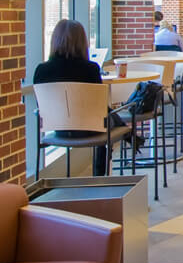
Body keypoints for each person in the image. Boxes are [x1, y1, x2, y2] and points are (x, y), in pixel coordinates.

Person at [33, 19, 121, 173]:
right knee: (109, 117)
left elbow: (41, 105)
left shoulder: (41, 70)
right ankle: (99, 174)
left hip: (59, 129)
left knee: (105, 117)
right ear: (82, 42)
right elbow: (98, 106)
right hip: (91, 129)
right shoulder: (90, 69)